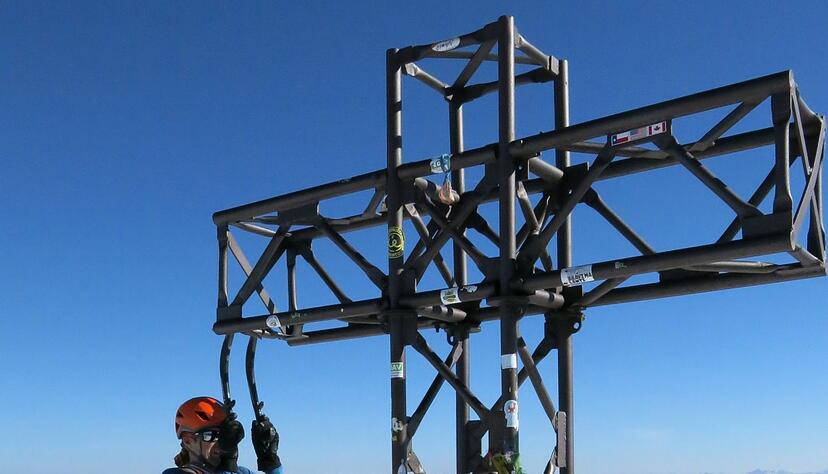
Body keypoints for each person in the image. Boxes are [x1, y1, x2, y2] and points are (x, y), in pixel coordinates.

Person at [163, 396, 283, 474]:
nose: (221, 441)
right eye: (211, 435)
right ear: (188, 441)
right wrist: (228, 463)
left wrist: (270, 461)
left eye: (224, 434)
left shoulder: (241, 472)